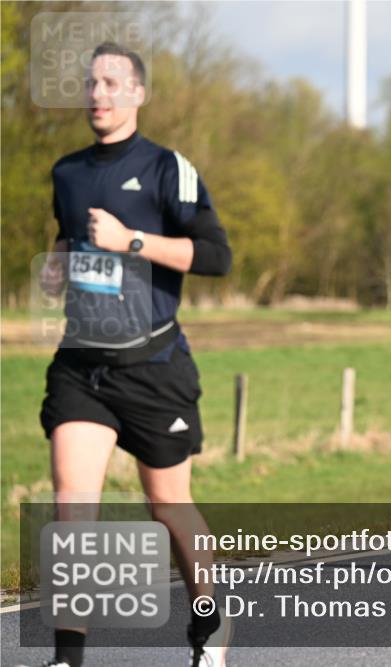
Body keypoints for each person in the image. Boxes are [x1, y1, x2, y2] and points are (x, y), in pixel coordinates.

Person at [26, 42, 232, 667]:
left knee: (169, 509)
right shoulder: (66, 172)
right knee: (71, 507)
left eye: (114, 83)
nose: (99, 94)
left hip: (154, 366)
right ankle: (68, 658)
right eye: (91, 83)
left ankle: (210, 630)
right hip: (83, 365)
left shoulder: (172, 168)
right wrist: (60, 270)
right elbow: (68, 241)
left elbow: (218, 257)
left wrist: (131, 240)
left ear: (139, 94)